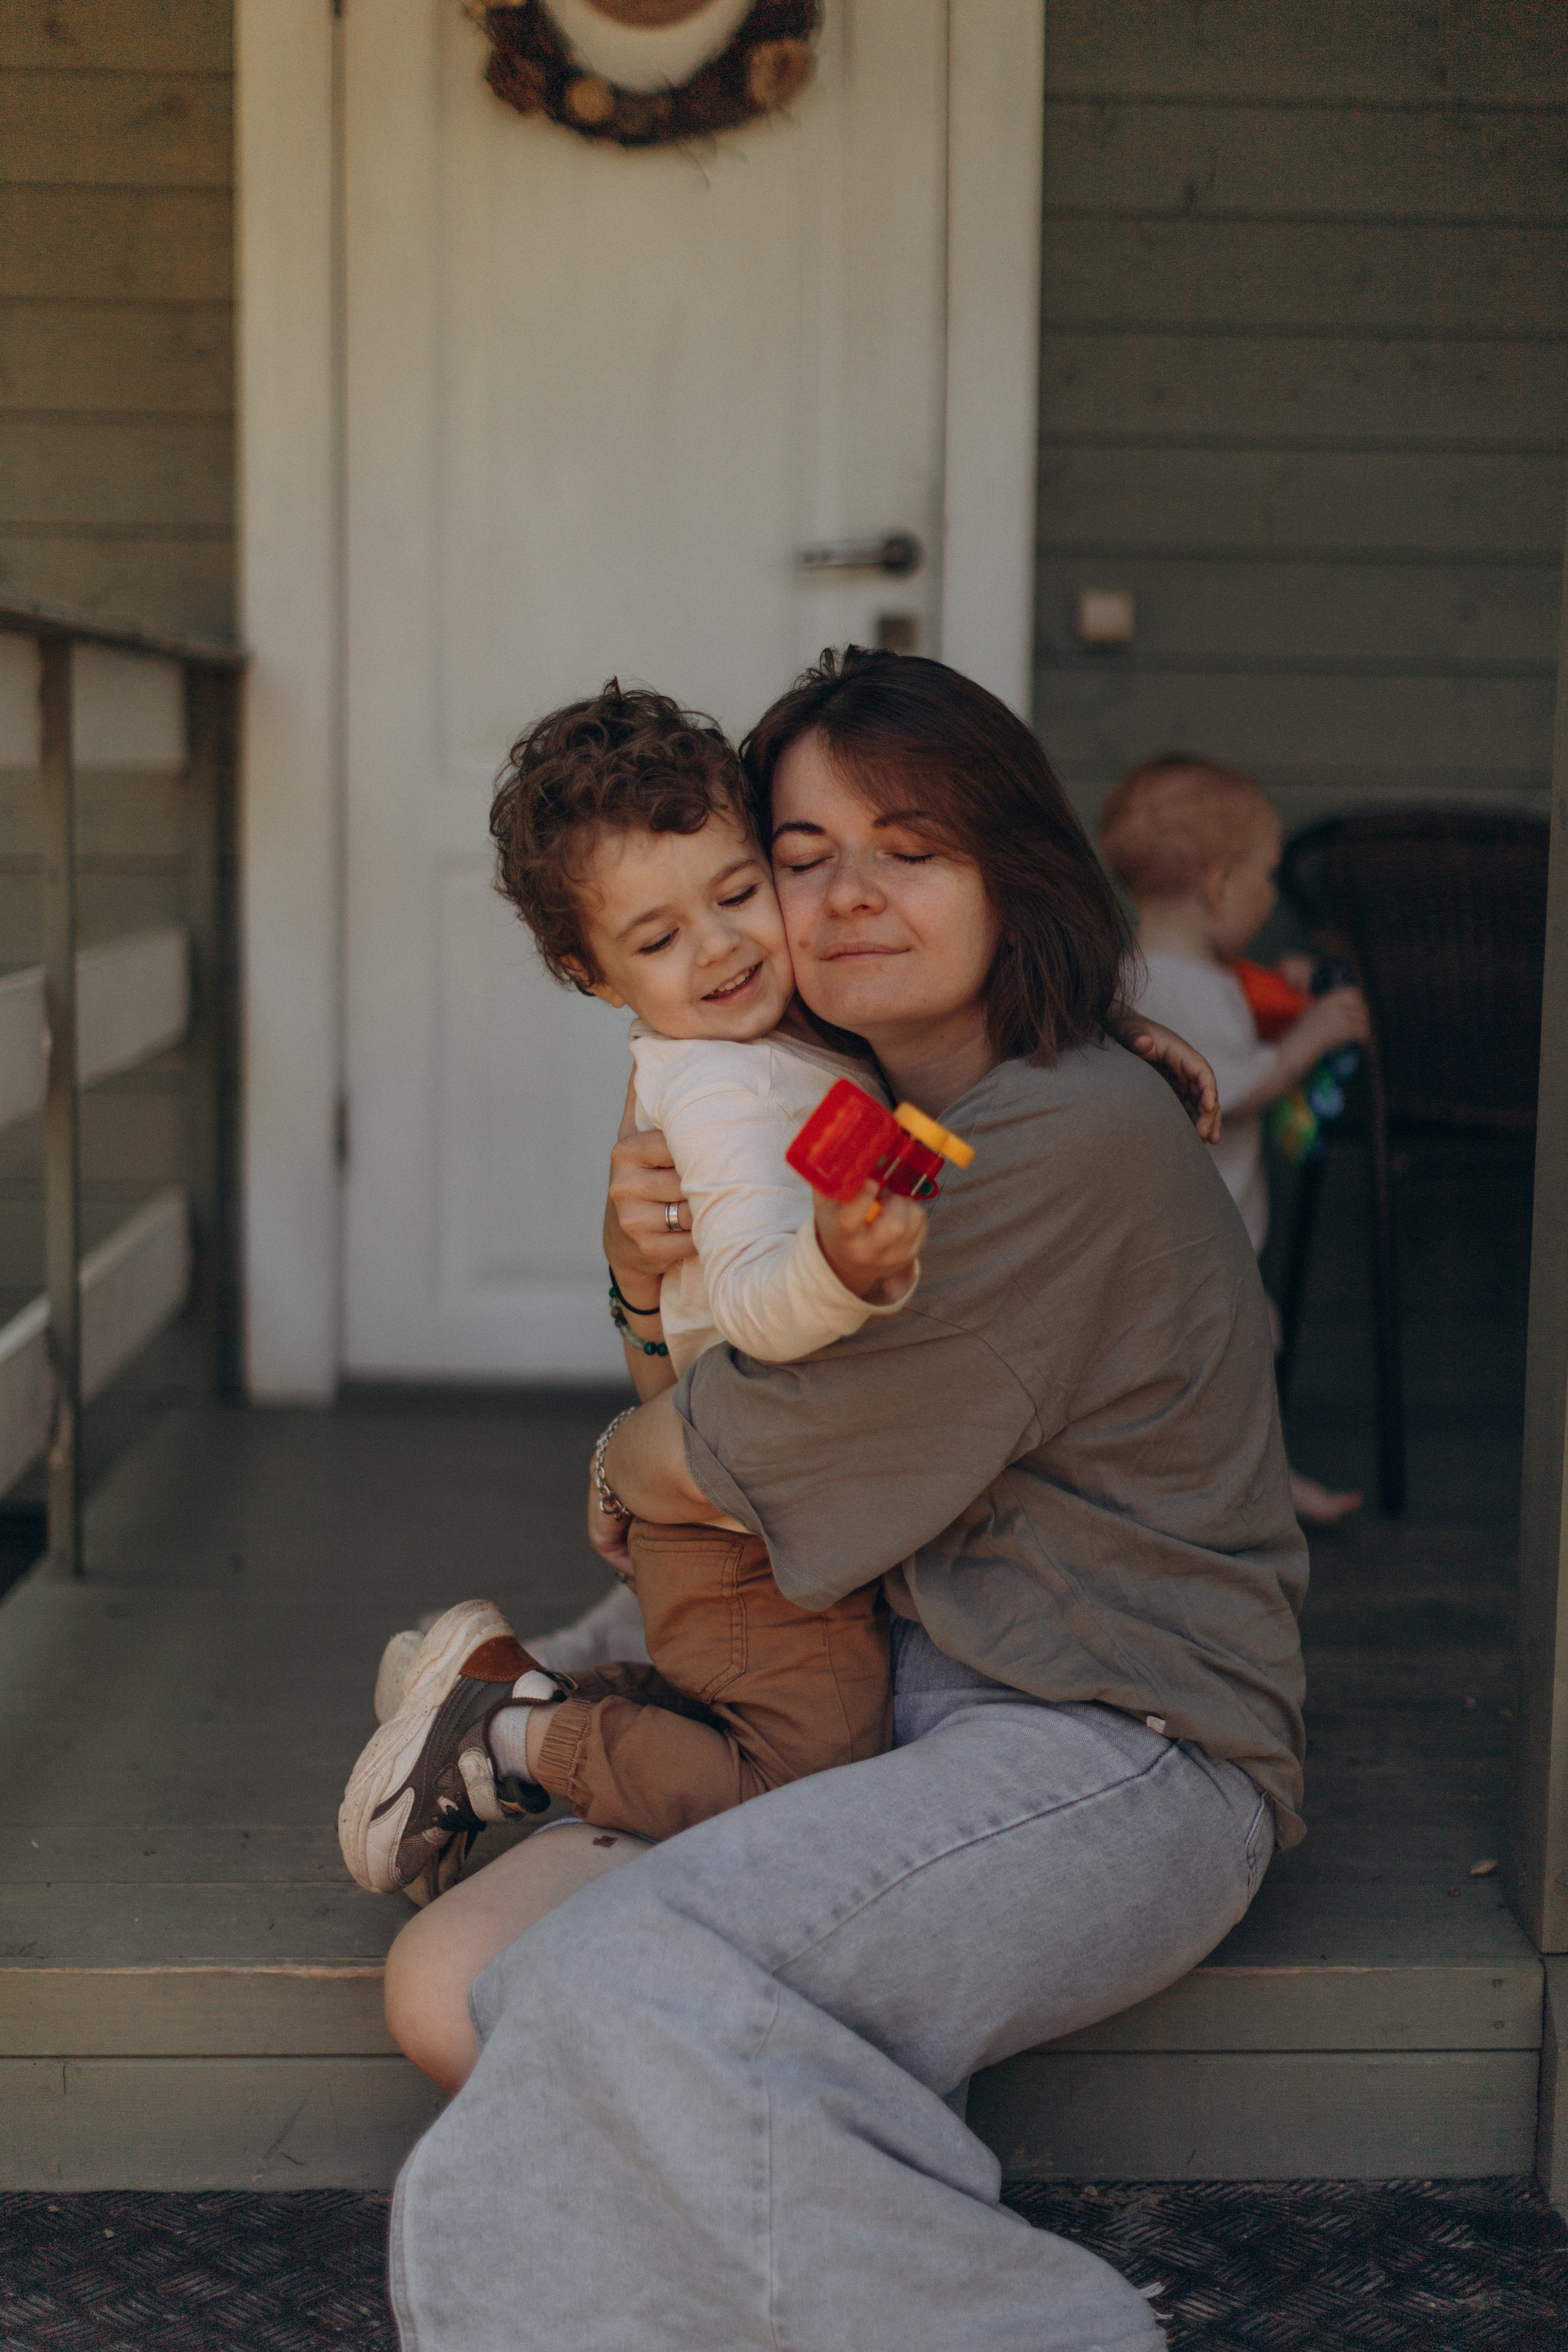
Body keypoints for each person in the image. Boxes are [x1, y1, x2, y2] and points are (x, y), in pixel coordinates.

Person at [377, 648, 1304, 2352]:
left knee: (601, 1996)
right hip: (883, 1689)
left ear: (1010, 865)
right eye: (804, 854)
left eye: (913, 844)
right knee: (453, 1992)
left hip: (1107, 1737)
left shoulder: (1052, 1138)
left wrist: (621, 1457)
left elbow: (712, 1462)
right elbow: (723, 1411)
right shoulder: (874, 1108)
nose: (847, 896)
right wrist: (635, 1292)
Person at [339, 684, 923, 1896]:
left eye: (734, 894)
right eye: (655, 941)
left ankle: (499, 1690)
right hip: (741, 1523)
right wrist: (842, 1265)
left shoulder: (781, 1042)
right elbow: (763, 1304)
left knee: (740, 1709)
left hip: (756, 1499)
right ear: (588, 972)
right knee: (800, 1772)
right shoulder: (714, 1093)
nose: (716, 949)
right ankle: (513, 1737)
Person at [1099, 752, 1372, 1529]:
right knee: (1225, 1369)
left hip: (1174, 1234)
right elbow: (1223, 1084)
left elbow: (1237, 1024)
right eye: (1265, 877)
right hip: (1195, 1237)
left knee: (1223, 1370)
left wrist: (1290, 996)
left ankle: (1255, 1481)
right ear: (1218, 883)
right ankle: (1240, 1493)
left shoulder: (1150, 973)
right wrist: (1307, 1042)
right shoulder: (1184, 987)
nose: (1267, 897)